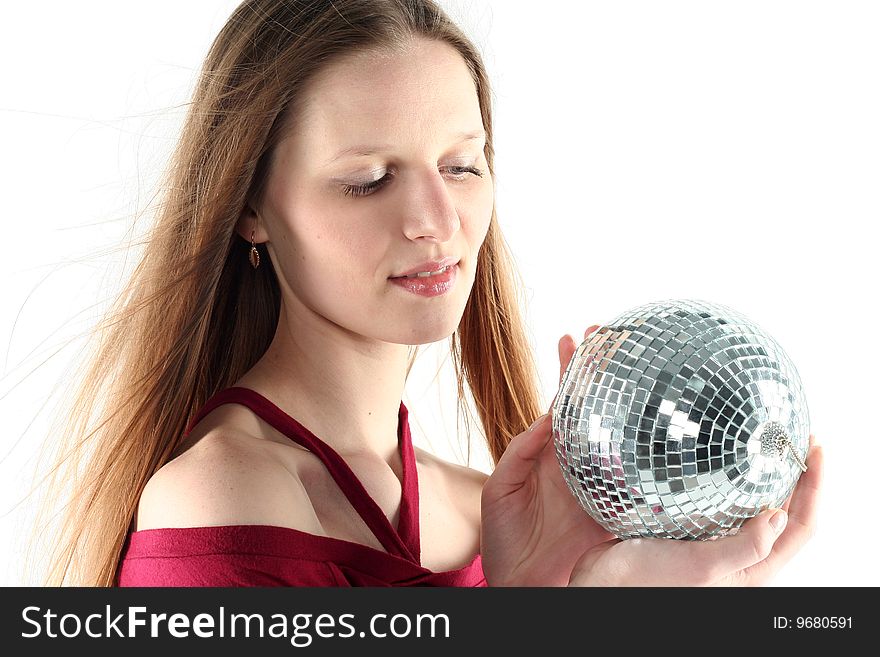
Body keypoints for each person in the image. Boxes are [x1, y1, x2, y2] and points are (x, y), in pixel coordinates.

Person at [38, 0, 822, 587]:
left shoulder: (488, 509)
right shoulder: (222, 495)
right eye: (368, 181)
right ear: (250, 208)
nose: (438, 222)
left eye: (461, 165)